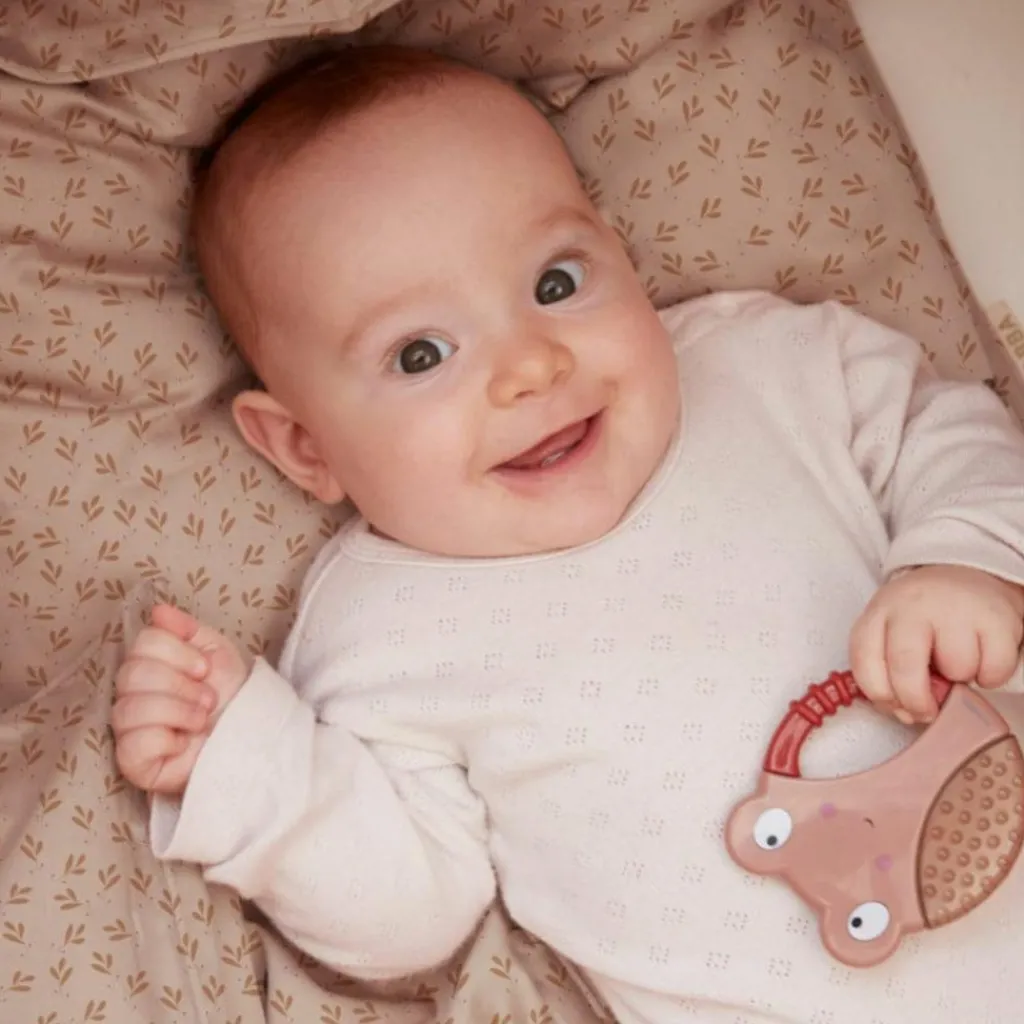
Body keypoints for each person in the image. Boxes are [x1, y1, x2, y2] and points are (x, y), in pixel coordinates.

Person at [111, 45, 1024, 1024]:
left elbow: (952, 432)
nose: (529, 367)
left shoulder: (768, 368)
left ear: (617, 252)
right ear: (305, 446)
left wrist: (965, 560)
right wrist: (253, 770)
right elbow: (408, 912)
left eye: (554, 283)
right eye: (420, 355)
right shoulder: (381, 632)